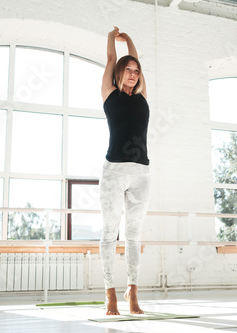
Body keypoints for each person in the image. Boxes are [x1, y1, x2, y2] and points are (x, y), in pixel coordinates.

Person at [100, 26, 150, 316]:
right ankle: (110, 295)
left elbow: (136, 58)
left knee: (134, 235)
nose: (133, 73)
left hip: (141, 172)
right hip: (114, 171)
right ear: (119, 74)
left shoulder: (142, 96)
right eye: (128, 70)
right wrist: (114, 36)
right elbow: (110, 59)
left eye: (136, 70)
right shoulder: (109, 94)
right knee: (110, 234)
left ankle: (132, 292)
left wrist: (131, 40)